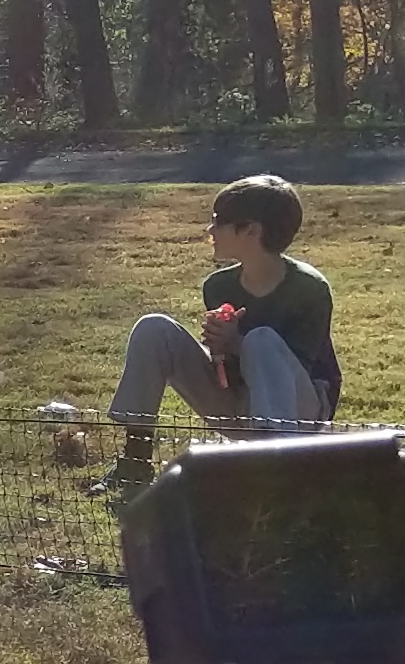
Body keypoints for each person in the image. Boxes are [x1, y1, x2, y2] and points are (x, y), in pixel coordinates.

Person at [92, 173, 345, 495]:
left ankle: (278, 473)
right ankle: (134, 461)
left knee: (261, 339)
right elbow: (225, 367)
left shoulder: (309, 289)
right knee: (153, 328)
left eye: (218, 222)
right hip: (238, 404)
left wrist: (237, 342)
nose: (210, 230)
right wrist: (218, 348)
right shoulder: (219, 286)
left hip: (297, 418)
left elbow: (295, 371)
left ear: (251, 230)